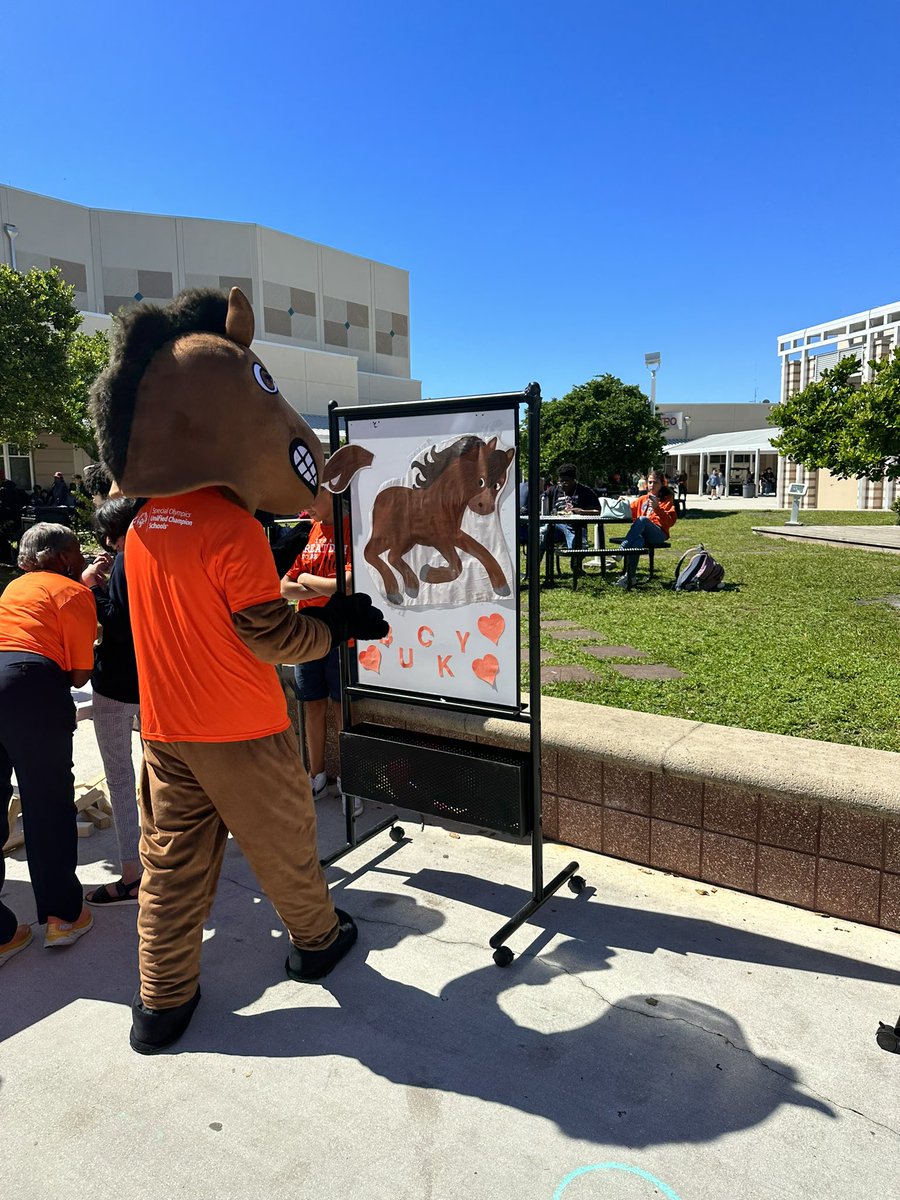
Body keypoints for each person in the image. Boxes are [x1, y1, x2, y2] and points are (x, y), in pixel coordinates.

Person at [0, 524, 97, 967]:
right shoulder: (71, 592)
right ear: (59, 557)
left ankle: (2, 935)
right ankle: (62, 916)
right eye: (77, 551)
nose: (80, 559)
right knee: (47, 804)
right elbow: (78, 675)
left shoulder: (14, 589)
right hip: (30, 686)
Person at [280, 490, 359, 812]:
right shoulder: (308, 530)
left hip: (342, 636)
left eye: (311, 498)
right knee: (311, 706)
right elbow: (284, 587)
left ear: (329, 492)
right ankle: (318, 776)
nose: (305, 506)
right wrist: (325, 584)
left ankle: (351, 783)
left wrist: (308, 579)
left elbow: (350, 584)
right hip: (307, 635)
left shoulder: (353, 527)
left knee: (343, 710)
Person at [84, 498, 145, 907]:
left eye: (109, 534)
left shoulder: (126, 561)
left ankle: (131, 875)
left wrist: (91, 588)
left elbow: (119, 626)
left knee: (121, 780)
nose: (108, 542)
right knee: (165, 775)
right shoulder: (157, 556)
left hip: (118, 684)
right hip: (154, 683)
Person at [614, 470, 678, 589]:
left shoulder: (666, 500)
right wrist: (623, 502)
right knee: (637, 541)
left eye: (655, 482)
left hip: (659, 534)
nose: (652, 485)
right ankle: (630, 577)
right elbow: (629, 510)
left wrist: (657, 509)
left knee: (643, 519)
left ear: (662, 484)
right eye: (650, 482)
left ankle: (621, 550)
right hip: (643, 535)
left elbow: (671, 521)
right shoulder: (643, 499)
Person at [541, 463, 599, 563]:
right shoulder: (553, 490)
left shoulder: (585, 491)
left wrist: (582, 511)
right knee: (540, 535)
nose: (563, 484)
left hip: (575, 527)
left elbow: (598, 511)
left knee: (581, 545)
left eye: (566, 481)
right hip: (555, 526)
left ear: (574, 480)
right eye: (560, 481)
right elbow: (542, 506)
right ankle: (532, 571)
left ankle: (576, 568)